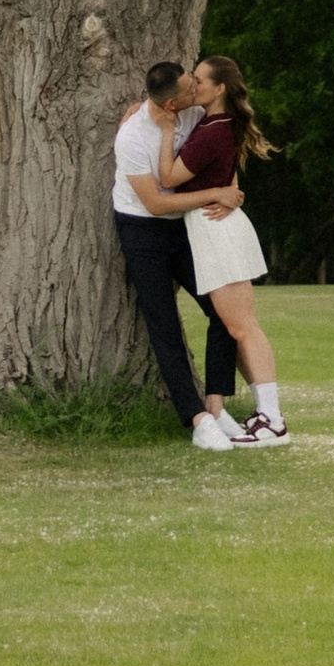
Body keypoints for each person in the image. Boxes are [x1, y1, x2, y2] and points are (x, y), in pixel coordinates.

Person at [112, 59, 250, 447]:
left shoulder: (192, 116)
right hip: (142, 229)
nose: (196, 93)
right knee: (164, 324)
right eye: (190, 89)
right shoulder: (133, 137)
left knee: (222, 311)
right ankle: (197, 419)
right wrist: (214, 194)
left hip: (187, 227)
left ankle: (217, 406)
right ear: (171, 104)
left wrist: (229, 190)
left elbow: (221, 157)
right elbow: (156, 203)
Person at [159, 53, 289, 446]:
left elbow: (167, 177)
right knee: (237, 326)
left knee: (242, 326)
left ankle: (273, 420)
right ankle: (265, 415)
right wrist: (227, 192)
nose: (192, 85)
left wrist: (166, 129)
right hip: (212, 230)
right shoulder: (213, 123)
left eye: (199, 80)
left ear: (219, 89)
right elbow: (227, 175)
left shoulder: (215, 129)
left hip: (218, 233)